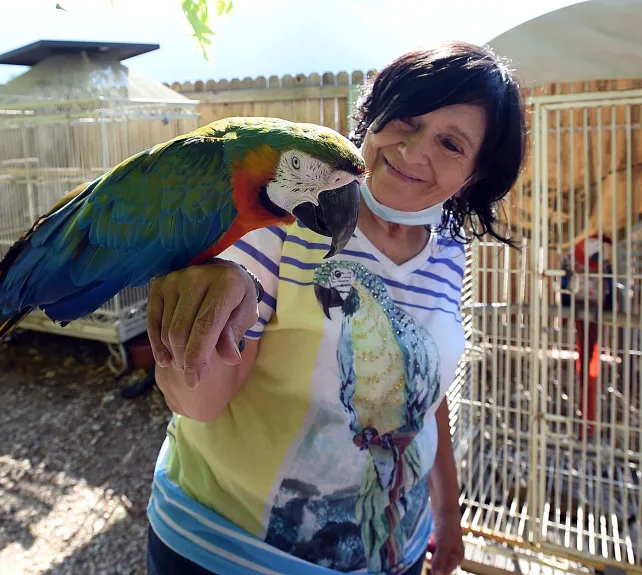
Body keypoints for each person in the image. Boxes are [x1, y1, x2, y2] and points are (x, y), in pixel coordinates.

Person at [144, 40, 526, 575]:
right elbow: (199, 403)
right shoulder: (285, 216)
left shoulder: (449, 248)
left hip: (399, 551)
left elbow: (424, 387)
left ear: (476, 176)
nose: (415, 150)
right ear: (372, 116)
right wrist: (188, 325)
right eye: (406, 119)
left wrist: (447, 512)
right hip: (232, 552)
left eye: (451, 143)